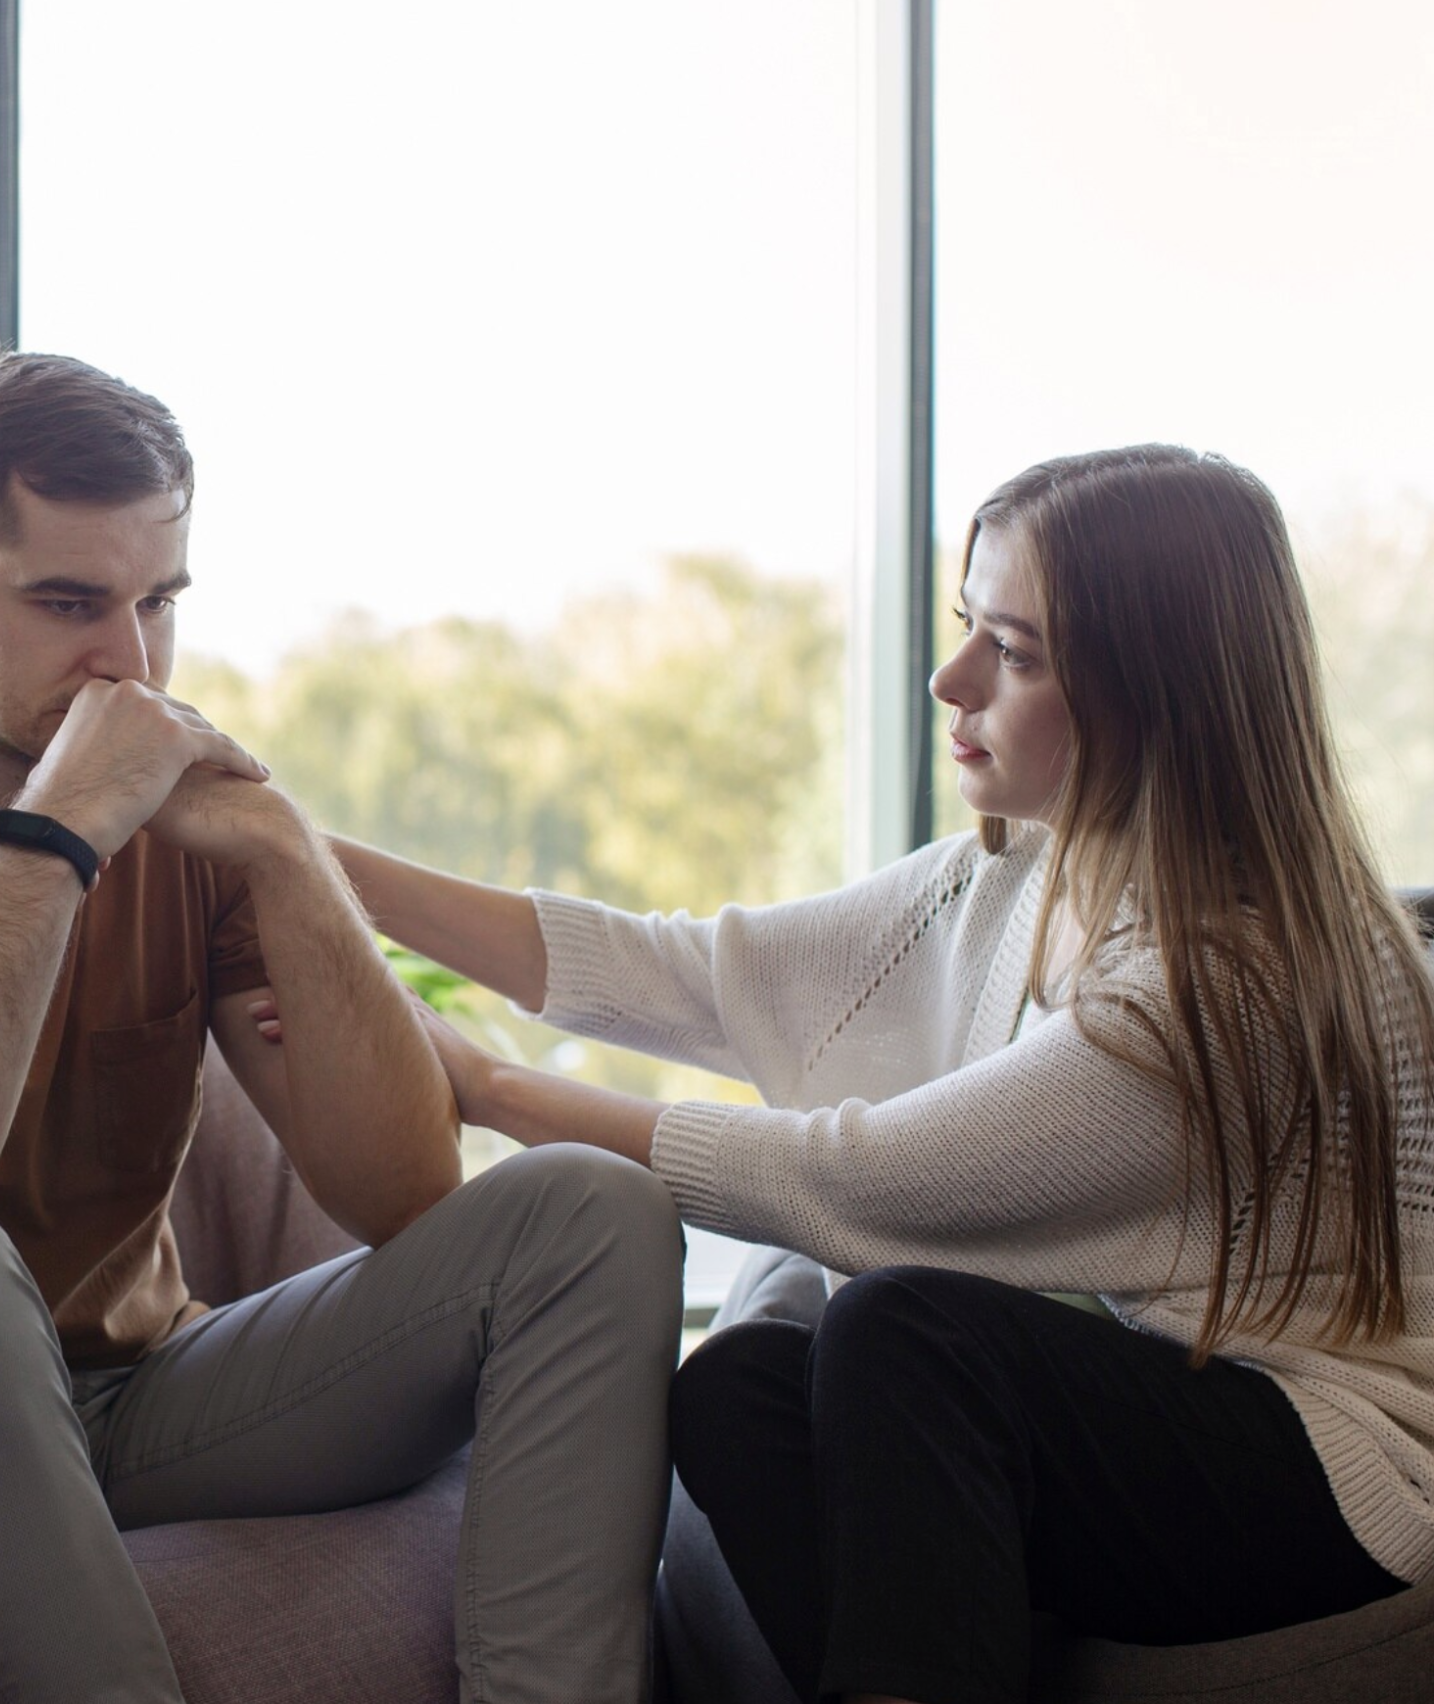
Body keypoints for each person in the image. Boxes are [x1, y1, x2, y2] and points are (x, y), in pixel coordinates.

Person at [0, 352, 685, 1704]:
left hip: (122, 1400)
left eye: (157, 602)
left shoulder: (181, 814)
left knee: (589, 1212)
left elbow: (406, 1195)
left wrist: (284, 857)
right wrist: (54, 839)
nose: (126, 660)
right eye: (68, 603)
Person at [323, 444, 1434, 1704]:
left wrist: (490, 1088)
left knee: (903, 1325)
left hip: (1325, 1468)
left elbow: (854, 1183)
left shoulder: (1230, 983)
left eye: (1012, 653)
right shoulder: (1013, 876)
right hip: (1144, 1413)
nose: (949, 679)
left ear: (1155, 692)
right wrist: (310, 860)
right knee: (736, 1389)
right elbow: (684, 974)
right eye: (967, 627)